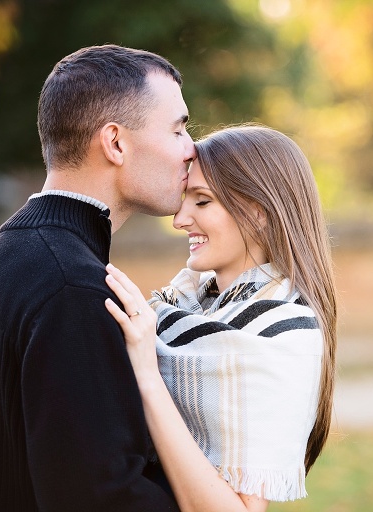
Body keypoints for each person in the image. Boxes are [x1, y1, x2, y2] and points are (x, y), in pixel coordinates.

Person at [0, 44, 195, 511]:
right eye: (178, 129)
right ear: (115, 143)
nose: (191, 149)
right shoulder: (72, 289)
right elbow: (101, 499)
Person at [103, 124, 338, 512]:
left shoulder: (278, 336)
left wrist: (148, 376)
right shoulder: (183, 308)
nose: (179, 219)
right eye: (185, 199)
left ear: (258, 212)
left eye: (202, 201)